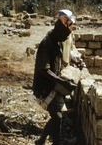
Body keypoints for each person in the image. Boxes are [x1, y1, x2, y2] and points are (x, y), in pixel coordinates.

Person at [33, 15, 77, 145]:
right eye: (64, 36)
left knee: (57, 117)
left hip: (52, 84)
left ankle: (42, 141)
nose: (65, 39)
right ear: (58, 31)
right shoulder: (46, 44)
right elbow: (44, 70)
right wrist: (63, 82)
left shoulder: (56, 41)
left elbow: (59, 60)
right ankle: (50, 141)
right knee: (57, 117)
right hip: (44, 87)